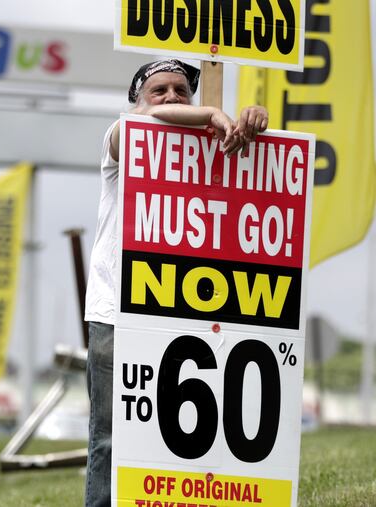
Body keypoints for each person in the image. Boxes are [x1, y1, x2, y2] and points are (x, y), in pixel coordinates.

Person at [83, 59, 268, 507]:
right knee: (109, 442)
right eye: (158, 90)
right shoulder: (121, 138)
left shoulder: (212, 151)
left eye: (181, 91)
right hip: (117, 316)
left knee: (181, 445)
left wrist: (253, 120)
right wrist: (207, 113)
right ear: (137, 101)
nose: (170, 97)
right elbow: (141, 123)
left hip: (185, 317)